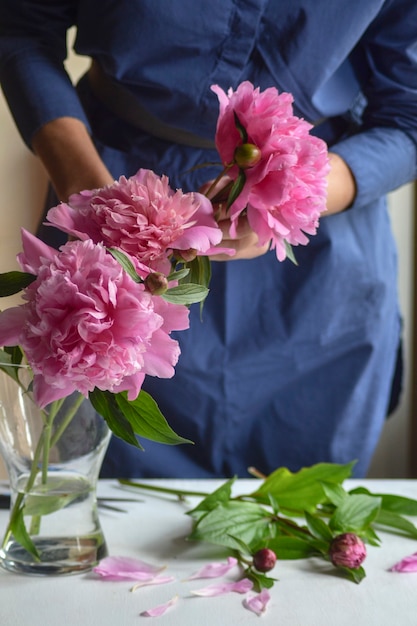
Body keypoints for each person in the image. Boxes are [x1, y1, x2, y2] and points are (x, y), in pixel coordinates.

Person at [1, 1, 416, 479]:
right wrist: (87, 192)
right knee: (106, 510)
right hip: (109, 204)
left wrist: (292, 193)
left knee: (300, 531)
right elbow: (23, 25)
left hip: (315, 267)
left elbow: (409, 112)